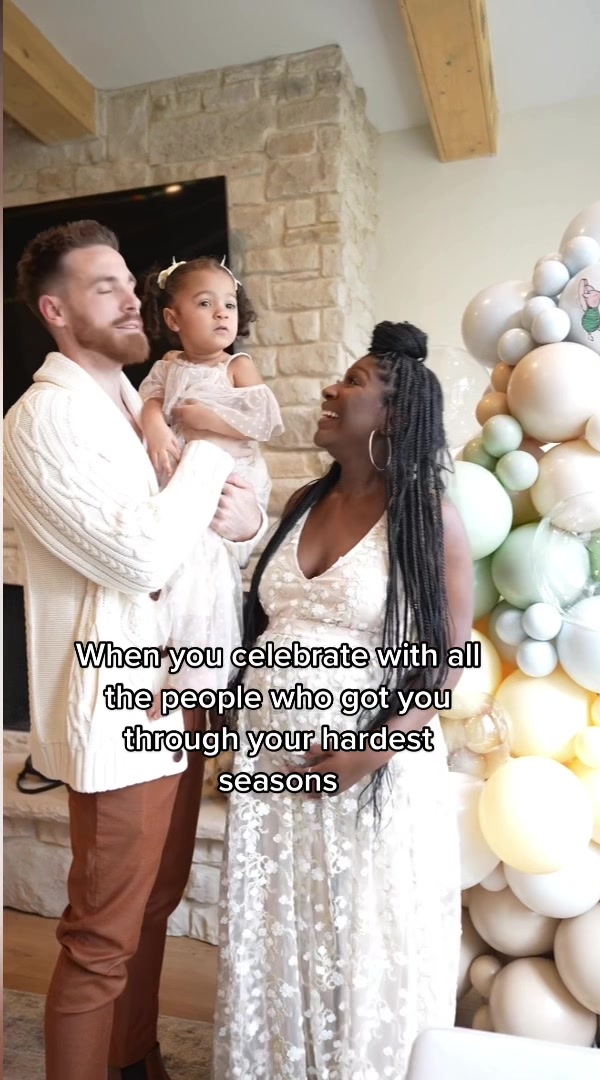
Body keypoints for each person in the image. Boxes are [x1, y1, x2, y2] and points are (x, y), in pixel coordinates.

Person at [3, 220, 266, 1080]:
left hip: (181, 692)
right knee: (102, 933)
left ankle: (137, 1059)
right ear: (56, 311)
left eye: (129, 280)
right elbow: (140, 555)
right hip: (121, 709)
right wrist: (215, 444)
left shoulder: (137, 399)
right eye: (104, 286)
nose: (131, 298)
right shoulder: (42, 419)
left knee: (156, 903)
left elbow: (206, 527)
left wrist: (245, 521)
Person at [213, 321, 474, 1079]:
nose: (331, 388)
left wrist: (371, 751)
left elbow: (448, 659)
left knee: (358, 946)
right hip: (272, 778)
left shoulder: (427, 517)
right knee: (280, 938)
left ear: (394, 414)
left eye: (352, 381)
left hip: (367, 779)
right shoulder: (302, 500)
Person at [138, 255, 283, 701]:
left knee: (206, 580)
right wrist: (156, 425)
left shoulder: (236, 366)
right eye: (205, 303)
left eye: (229, 305)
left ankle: (198, 679)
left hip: (226, 477)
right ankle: (165, 667)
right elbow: (149, 402)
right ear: (173, 318)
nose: (222, 313)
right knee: (175, 575)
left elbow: (263, 421)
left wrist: (207, 418)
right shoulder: (167, 366)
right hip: (179, 478)